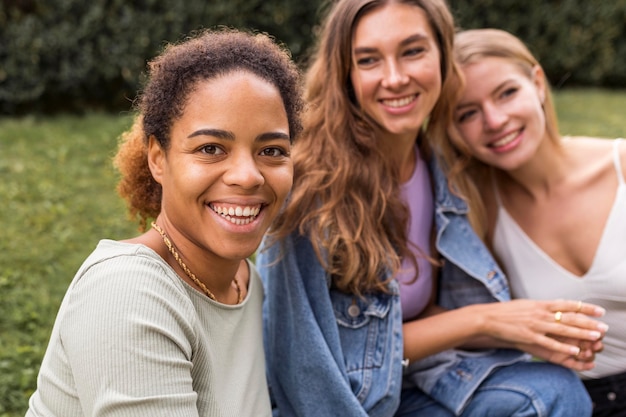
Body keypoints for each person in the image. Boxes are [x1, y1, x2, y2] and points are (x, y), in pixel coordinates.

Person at [257, 1, 608, 416]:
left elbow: (406, 315)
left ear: (444, 56)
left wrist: (527, 330)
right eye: (368, 60)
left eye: (413, 51)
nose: (395, 78)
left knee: (551, 393)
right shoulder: (309, 189)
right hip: (343, 404)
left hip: (413, 386)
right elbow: (301, 365)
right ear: (345, 75)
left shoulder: (440, 169)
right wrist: (488, 321)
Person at [25, 28, 303, 417]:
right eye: (210, 148)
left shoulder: (245, 282)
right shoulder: (127, 294)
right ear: (158, 157)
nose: (248, 175)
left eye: (271, 150)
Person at [436, 28, 626, 417]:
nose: (494, 120)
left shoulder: (621, 167)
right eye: (467, 113)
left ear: (537, 84)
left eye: (507, 93)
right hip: (575, 401)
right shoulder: (474, 210)